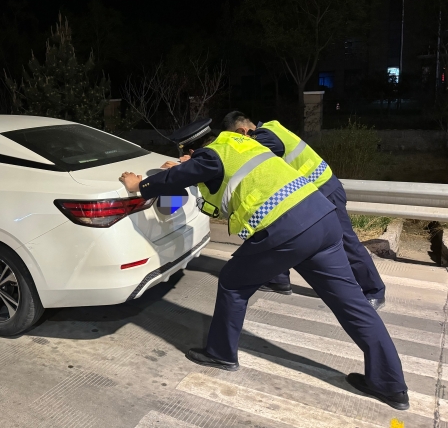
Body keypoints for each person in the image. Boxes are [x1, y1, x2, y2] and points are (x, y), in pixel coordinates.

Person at [119, 119, 408, 410]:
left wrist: (139, 185)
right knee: (352, 304)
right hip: (323, 219)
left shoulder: (210, 157)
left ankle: (221, 353)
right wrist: (187, 167)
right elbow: (211, 172)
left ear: (190, 150)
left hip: (288, 231)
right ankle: (390, 385)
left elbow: (178, 178)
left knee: (233, 282)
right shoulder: (242, 143)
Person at [221, 111, 386, 311]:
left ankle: (375, 290)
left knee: (346, 243)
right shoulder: (271, 128)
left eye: (236, 139)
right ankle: (279, 280)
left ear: (242, 132)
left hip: (323, 190)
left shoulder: (264, 139)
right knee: (279, 237)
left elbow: (246, 162)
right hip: (310, 195)